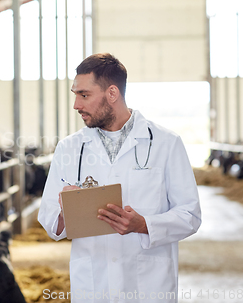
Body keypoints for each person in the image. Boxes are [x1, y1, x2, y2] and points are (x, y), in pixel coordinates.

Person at [38, 53, 201, 303]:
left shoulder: (166, 143)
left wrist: (144, 225)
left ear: (112, 93)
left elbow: (190, 214)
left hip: (148, 286)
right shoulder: (69, 148)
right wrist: (64, 210)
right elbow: (49, 219)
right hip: (93, 286)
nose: (76, 105)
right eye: (75, 94)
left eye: (84, 95)